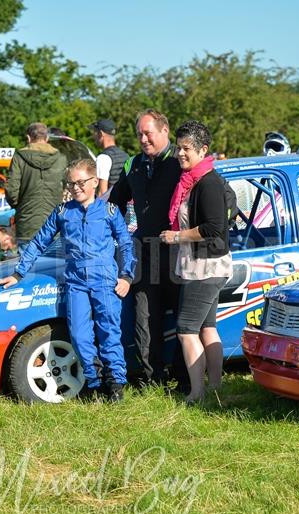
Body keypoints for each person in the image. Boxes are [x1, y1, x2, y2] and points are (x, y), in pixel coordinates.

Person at [0, 159, 136, 401]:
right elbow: (39, 242)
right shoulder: (62, 212)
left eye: (80, 182)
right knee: (79, 335)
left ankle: (115, 385)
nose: (75, 188)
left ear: (94, 182)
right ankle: (94, 382)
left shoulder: (110, 211)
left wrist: (126, 276)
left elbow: (126, 244)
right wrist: (18, 273)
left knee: (109, 332)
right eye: (71, 183)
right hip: (76, 283)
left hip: (105, 281)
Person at [108, 109, 186, 388]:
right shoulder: (133, 165)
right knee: (144, 318)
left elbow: (215, 198)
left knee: (184, 320)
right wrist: (117, 235)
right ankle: (154, 380)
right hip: (145, 252)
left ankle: (184, 376)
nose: (143, 138)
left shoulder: (182, 160)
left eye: (148, 133)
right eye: (139, 133)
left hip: (179, 253)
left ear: (164, 131)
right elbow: (113, 202)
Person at [160, 120, 234, 404]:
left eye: (186, 148)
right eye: (178, 148)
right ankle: (214, 387)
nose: (180, 153)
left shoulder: (209, 183)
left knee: (186, 330)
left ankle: (197, 392)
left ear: (203, 150)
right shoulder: (194, 180)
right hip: (206, 265)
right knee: (207, 327)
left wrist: (177, 237)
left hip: (206, 267)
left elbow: (213, 227)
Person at [5, 122, 68, 241]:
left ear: (28, 138)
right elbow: (67, 188)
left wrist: (20, 207)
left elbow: (11, 189)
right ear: (47, 138)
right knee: (53, 259)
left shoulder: (19, 157)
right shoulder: (61, 158)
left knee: (28, 259)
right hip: (54, 224)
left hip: (27, 224)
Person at [89, 118, 130, 195]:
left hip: (112, 205)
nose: (93, 136)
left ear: (101, 134)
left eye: (94, 132)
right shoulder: (126, 155)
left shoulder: (103, 157)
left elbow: (102, 193)